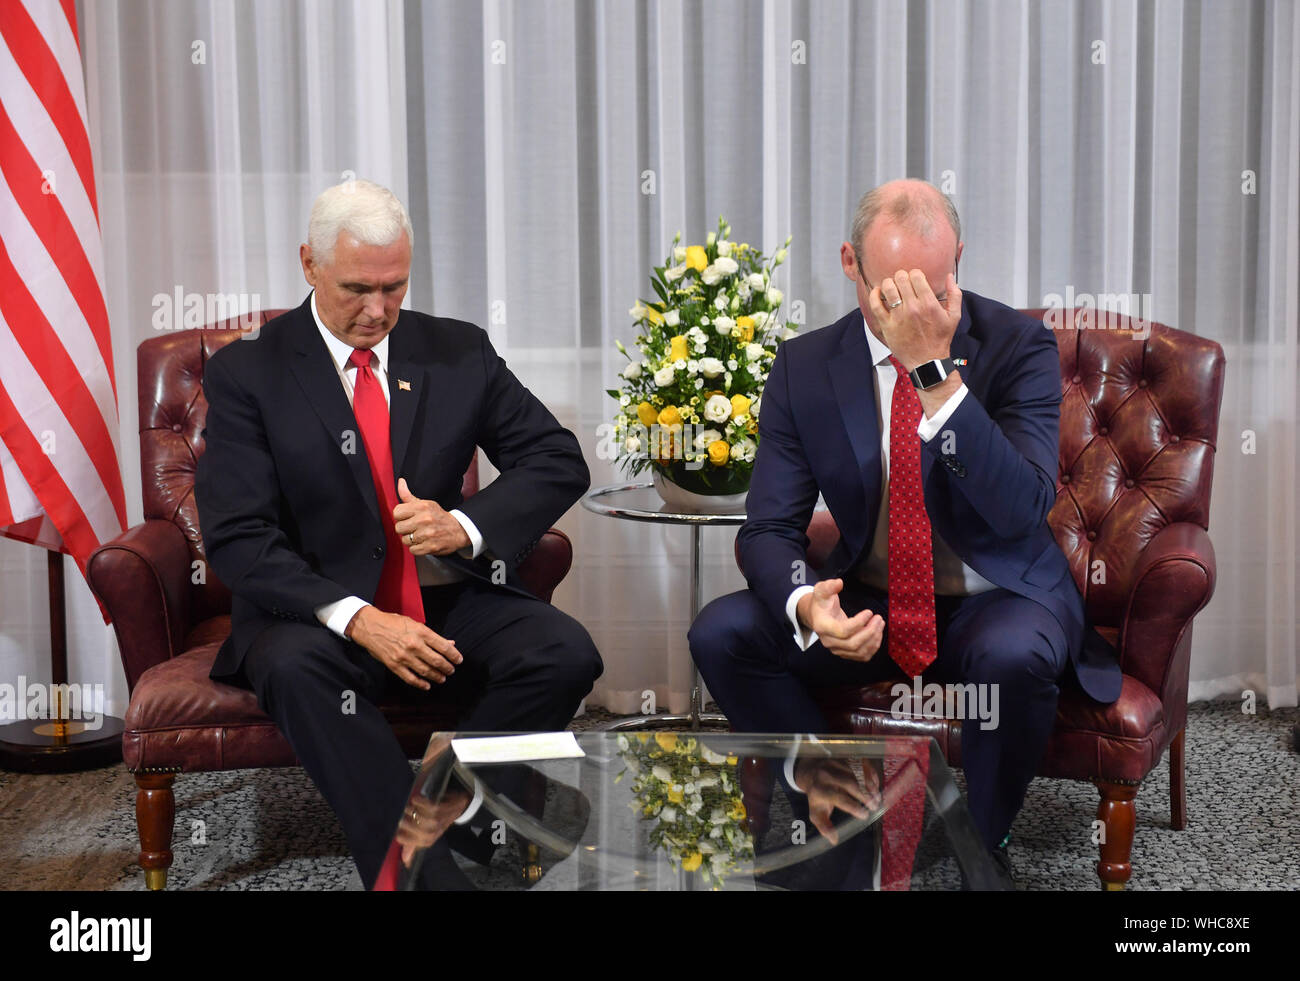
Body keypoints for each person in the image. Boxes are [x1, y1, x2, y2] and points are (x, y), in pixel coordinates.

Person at [688, 178, 1120, 881]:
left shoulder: (1018, 347)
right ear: (849, 263)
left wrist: (934, 376)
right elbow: (768, 526)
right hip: (875, 602)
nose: (913, 308)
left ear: (959, 262)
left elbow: (1019, 508)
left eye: (933, 286)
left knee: (1013, 656)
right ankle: (829, 788)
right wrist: (808, 604)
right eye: (891, 291)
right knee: (722, 632)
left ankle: (984, 842)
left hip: (998, 594)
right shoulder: (805, 367)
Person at [195, 178, 602, 889]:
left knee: (564, 652)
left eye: (395, 286)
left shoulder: (455, 351)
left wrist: (466, 524)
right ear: (308, 263)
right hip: (312, 612)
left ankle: (459, 803)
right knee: (294, 668)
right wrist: (359, 620)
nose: (378, 309)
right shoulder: (248, 371)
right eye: (357, 287)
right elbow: (238, 536)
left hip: (441, 598)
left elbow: (558, 459)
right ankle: (418, 875)